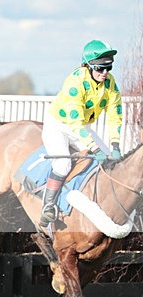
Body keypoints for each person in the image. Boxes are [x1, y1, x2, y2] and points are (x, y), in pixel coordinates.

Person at [39, 39, 123, 227]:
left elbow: (114, 114)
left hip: (82, 128)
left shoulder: (110, 83)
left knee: (110, 162)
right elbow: (75, 122)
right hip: (59, 126)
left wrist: (115, 145)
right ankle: (48, 205)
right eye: (100, 69)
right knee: (62, 164)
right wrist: (95, 148)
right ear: (88, 65)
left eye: (108, 68)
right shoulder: (75, 82)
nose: (105, 73)